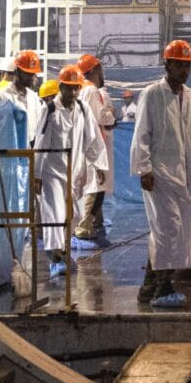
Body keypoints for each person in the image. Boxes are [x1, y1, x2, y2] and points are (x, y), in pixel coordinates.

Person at [132, 39, 191, 309]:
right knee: (168, 228)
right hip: (159, 174)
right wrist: (144, 168)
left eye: (187, 65)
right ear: (167, 65)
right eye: (179, 65)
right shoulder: (152, 94)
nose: (184, 70)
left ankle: (148, 288)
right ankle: (162, 288)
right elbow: (142, 133)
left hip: (186, 175)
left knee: (173, 230)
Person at [0, 51, 46, 289]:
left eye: (34, 74)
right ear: (17, 71)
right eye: (28, 73)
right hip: (9, 163)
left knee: (26, 212)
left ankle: (19, 257)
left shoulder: (34, 98)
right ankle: (3, 264)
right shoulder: (2, 97)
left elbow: (38, 131)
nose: (33, 78)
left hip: (29, 158)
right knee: (9, 211)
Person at [36, 65, 97, 270]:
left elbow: (92, 139)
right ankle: (55, 257)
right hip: (52, 173)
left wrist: (98, 166)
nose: (72, 92)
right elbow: (41, 142)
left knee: (75, 214)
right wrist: (37, 174)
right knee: (54, 215)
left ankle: (63, 249)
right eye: (68, 87)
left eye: (76, 88)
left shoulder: (83, 109)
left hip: (75, 171)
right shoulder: (50, 110)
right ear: (60, 86)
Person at [74, 53, 117, 244]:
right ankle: (84, 226)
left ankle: (94, 221)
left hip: (87, 144)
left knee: (93, 184)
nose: (102, 73)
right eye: (99, 69)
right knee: (95, 185)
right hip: (94, 145)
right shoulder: (90, 91)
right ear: (92, 70)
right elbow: (101, 117)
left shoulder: (81, 90)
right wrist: (111, 114)